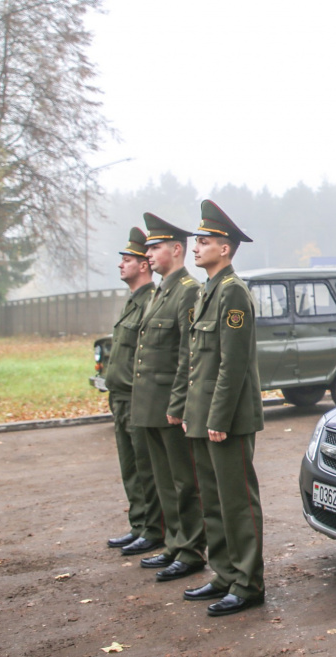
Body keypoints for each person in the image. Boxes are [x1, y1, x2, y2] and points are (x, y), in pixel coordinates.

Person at [179, 200, 265, 616]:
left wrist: (217, 419)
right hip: (205, 416)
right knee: (212, 501)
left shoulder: (232, 293)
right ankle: (225, 572)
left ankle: (248, 583)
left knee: (236, 502)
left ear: (225, 249)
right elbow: (200, 362)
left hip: (226, 419)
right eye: (197, 240)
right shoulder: (207, 291)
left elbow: (233, 365)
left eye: (205, 241)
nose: (196, 247)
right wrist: (192, 414)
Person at [129, 213, 207, 582]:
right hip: (150, 404)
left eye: (155, 247)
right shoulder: (161, 290)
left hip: (169, 406)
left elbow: (186, 353)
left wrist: (178, 404)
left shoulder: (188, 290)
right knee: (163, 481)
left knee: (183, 482)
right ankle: (174, 544)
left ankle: (190, 550)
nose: (149, 255)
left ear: (176, 250)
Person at [103, 227, 164, 556]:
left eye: (127, 260)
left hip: (138, 399)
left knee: (146, 469)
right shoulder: (133, 302)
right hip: (121, 399)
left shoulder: (150, 302)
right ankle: (139, 524)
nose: (120, 265)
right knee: (131, 468)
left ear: (143, 265)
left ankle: (154, 529)